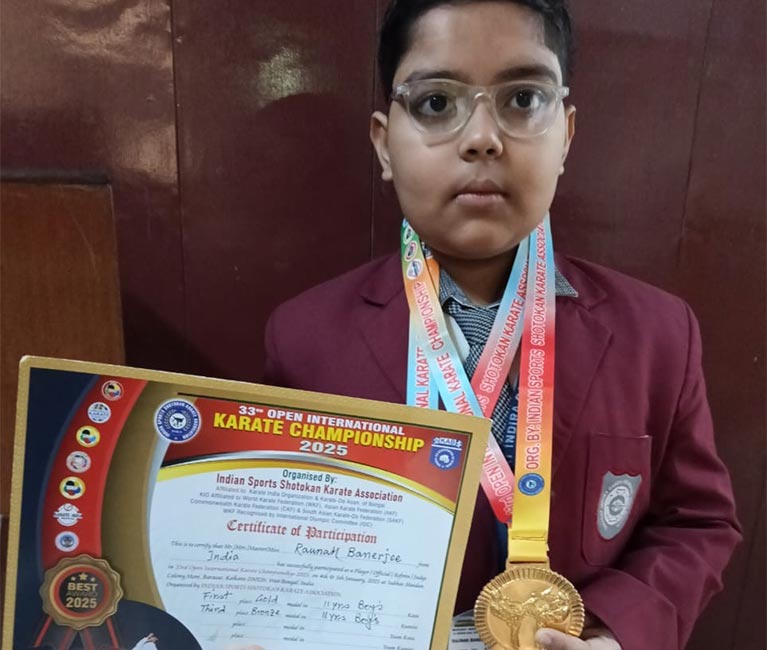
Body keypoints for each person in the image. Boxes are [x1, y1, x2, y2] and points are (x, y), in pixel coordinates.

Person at [262, 1, 741, 649]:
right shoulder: (304, 339)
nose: (482, 138)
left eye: (522, 99)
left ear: (565, 136)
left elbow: (697, 522)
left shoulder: (656, 334)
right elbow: (280, 538)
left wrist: (616, 633)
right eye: (436, 103)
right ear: (383, 143)